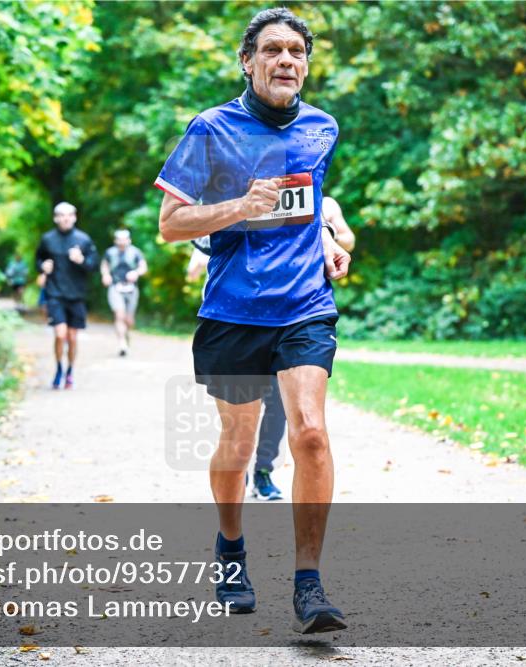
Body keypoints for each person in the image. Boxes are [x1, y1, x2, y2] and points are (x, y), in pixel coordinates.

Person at [156, 8, 350, 634]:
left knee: (311, 432)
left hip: (304, 306)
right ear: (248, 60)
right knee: (239, 447)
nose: (286, 61)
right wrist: (241, 205)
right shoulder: (211, 129)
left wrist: (324, 237)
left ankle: (309, 582)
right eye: (272, 50)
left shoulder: (324, 128)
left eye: (297, 51)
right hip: (234, 311)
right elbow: (170, 225)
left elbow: (312, 201)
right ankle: (232, 548)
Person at [251, 195, 356, 500]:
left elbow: (347, 236)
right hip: (244, 314)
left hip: (299, 313)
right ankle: (237, 468)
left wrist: (327, 232)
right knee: (241, 409)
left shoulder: (327, 203)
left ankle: (262, 471)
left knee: (278, 405)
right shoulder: (258, 191)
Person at [34, 202, 99, 389]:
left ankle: (70, 370)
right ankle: (58, 368)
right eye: (61, 215)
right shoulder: (47, 239)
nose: (65, 218)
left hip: (77, 294)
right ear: (55, 218)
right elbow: (38, 260)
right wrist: (42, 267)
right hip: (55, 293)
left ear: (75, 217)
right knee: (60, 334)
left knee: (72, 337)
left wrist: (81, 260)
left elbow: (94, 265)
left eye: (69, 215)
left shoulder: (83, 239)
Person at [101, 229, 148, 356]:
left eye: (124, 239)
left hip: (131, 288)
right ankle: (122, 343)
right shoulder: (110, 252)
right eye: (119, 239)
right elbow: (104, 265)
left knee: (129, 320)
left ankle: (126, 335)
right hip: (115, 287)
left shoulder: (135, 252)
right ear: (115, 241)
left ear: (129, 240)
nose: (122, 242)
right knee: (119, 315)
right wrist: (105, 275)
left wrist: (136, 273)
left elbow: (143, 267)